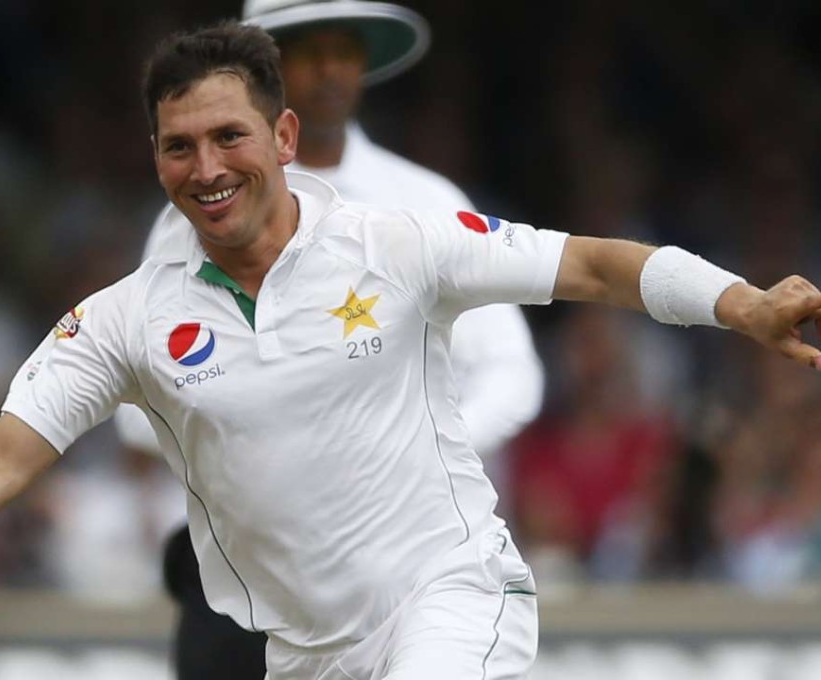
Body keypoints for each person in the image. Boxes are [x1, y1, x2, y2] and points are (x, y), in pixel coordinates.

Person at [0, 21, 821, 680]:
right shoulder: (126, 318)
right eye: (179, 146)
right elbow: (3, 454)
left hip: (450, 597)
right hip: (305, 655)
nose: (207, 167)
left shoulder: (397, 242)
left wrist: (743, 303)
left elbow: (596, 266)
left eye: (229, 136)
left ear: (284, 137)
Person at [113, 1, 544, 676]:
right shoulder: (193, 220)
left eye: (345, 50)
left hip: (408, 571)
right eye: (308, 53)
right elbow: (139, 403)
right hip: (241, 579)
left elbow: (511, 371)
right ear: (262, 71)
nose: (330, 71)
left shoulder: (422, 200)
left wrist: (406, 457)